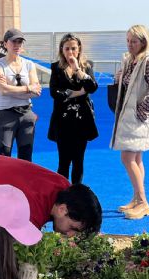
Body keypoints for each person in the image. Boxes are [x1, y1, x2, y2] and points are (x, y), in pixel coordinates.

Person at [0, 155, 102, 237]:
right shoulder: (30, 211)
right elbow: (9, 253)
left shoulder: (66, 190)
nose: (72, 235)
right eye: (73, 228)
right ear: (62, 209)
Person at [110, 25, 149, 220]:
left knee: (127, 158)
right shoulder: (131, 61)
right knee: (137, 159)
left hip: (138, 118)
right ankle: (136, 198)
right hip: (131, 116)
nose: (130, 44)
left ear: (143, 42)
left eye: (134, 41)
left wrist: (142, 112)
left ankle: (143, 202)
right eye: (128, 41)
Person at [48, 33, 99, 184]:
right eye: (67, 48)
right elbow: (54, 92)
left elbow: (92, 87)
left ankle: (77, 194)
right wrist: (77, 92)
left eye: (73, 48)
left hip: (82, 121)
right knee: (63, 161)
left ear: (79, 49)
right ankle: (63, 194)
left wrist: (77, 70)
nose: (70, 52)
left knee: (78, 161)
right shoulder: (56, 68)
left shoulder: (86, 66)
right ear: (62, 50)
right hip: (62, 121)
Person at [0, 28, 42, 161]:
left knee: (26, 158)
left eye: (20, 42)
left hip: (26, 115)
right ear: (5, 43)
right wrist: (28, 88)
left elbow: (36, 92)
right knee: (3, 157)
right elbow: (2, 91)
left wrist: (9, 88)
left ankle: (22, 183)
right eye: (14, 41)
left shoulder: (29, 64)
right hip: (5, 115)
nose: (17, 45)